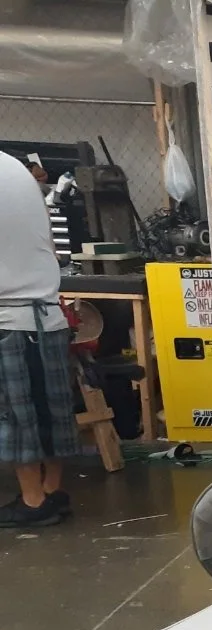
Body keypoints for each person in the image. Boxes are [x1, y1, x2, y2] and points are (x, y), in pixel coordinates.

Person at [0, 151, 77, 528]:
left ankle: (33, 501)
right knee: (52, 410)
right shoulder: (14, 168)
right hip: (47, 312)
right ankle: (52, 491)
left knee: (16, 416)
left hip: (8, 316)